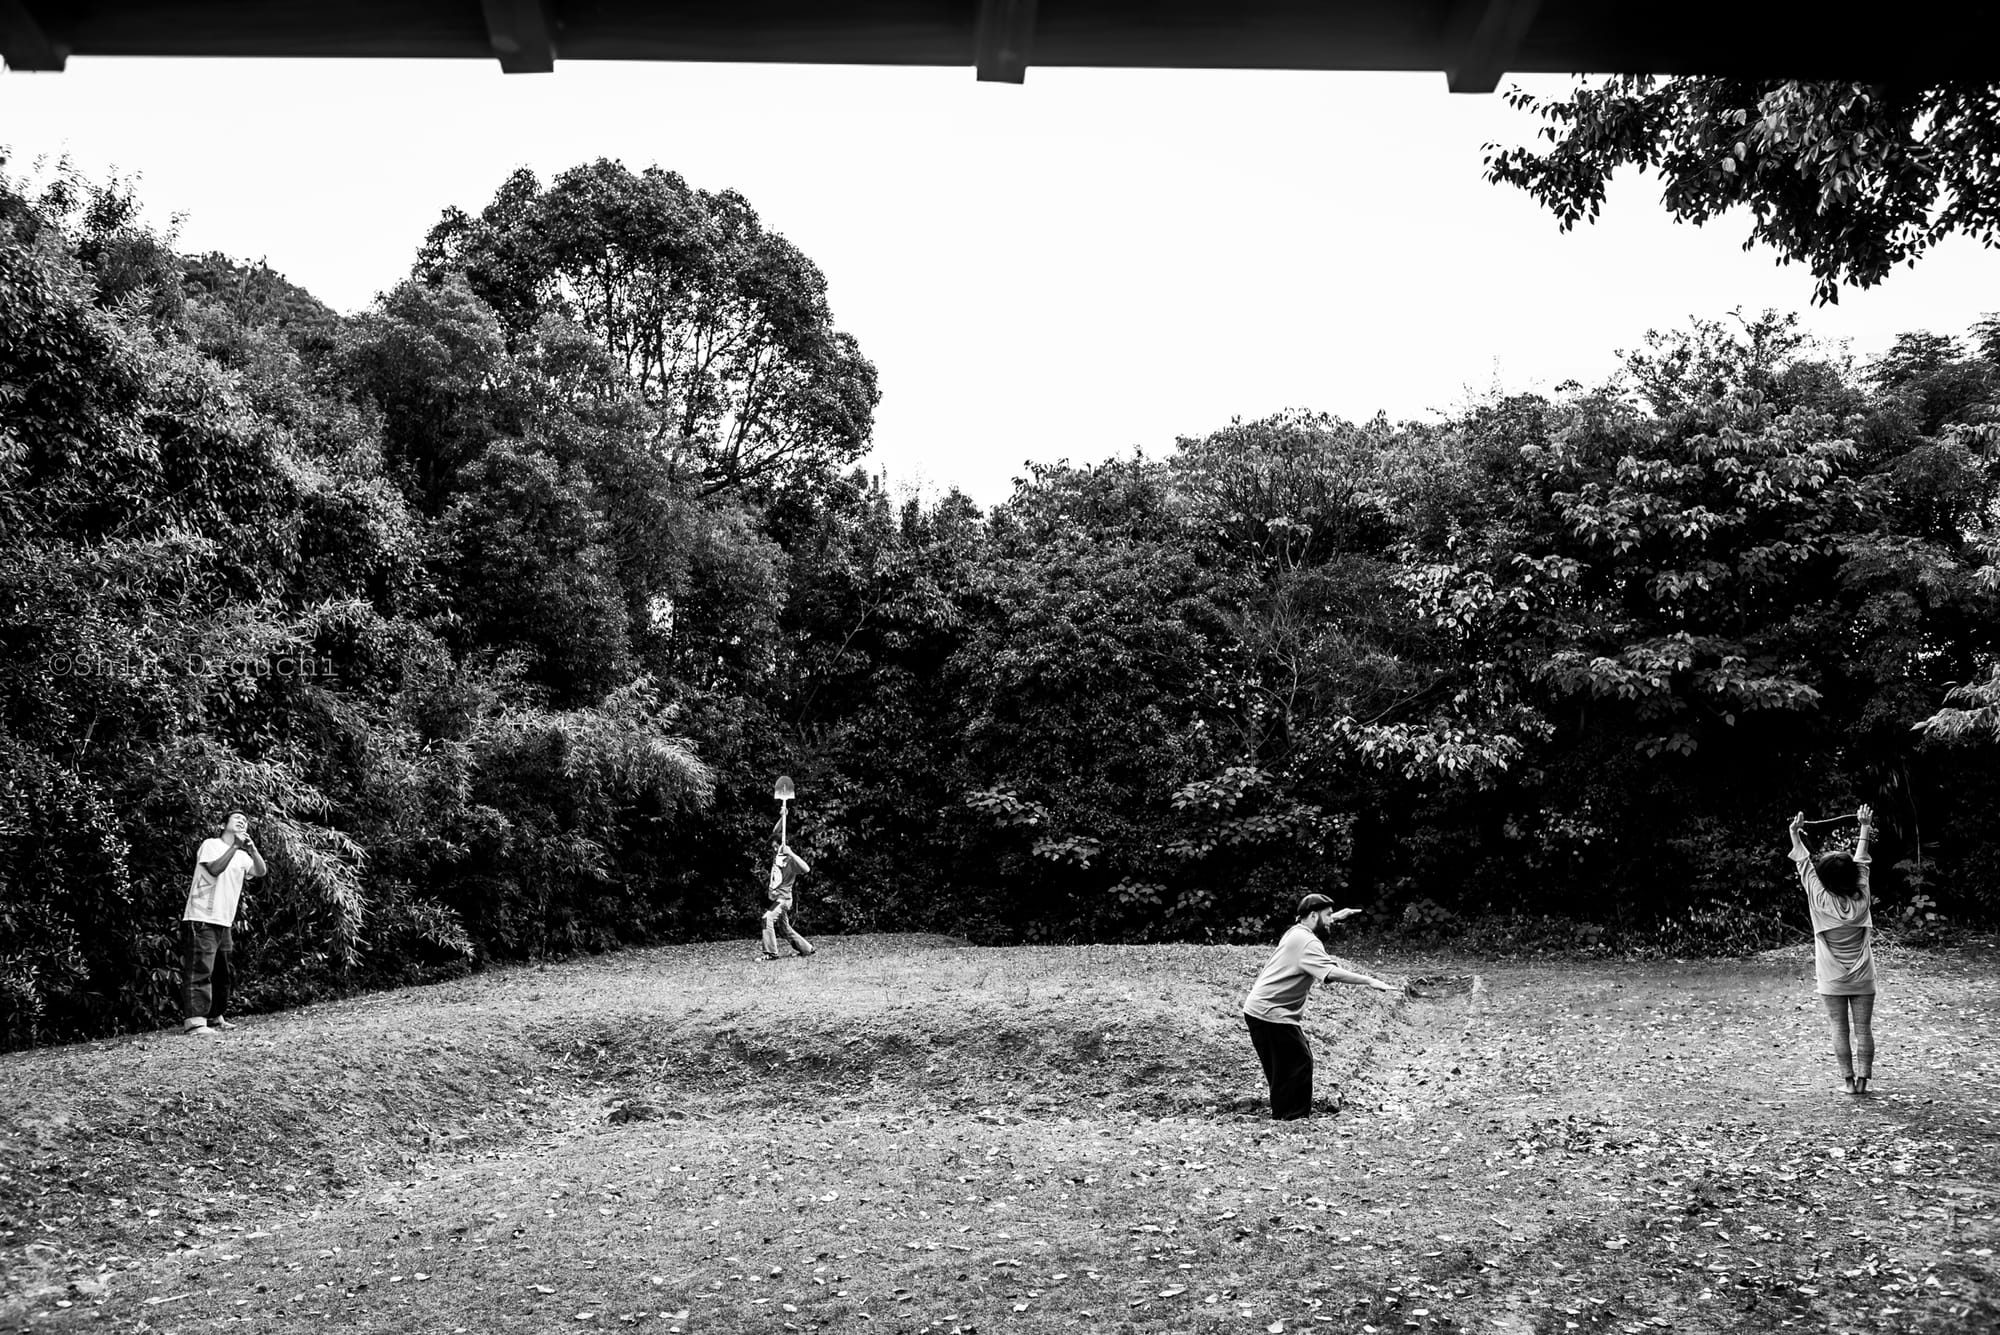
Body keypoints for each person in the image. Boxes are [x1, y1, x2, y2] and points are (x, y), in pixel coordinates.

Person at [1241, 893, 1403, 1119]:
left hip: (1263, 1010)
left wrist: (1337, 916)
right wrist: (1369, 980)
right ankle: (1292, 1118)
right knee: (1297, 1063)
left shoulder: (1297, 931)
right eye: (1327, 917)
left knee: (1287, 1065)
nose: (1330, 922)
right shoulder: (1308, 942)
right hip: (1271, 1012)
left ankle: (1287, 1115)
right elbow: (1331, 972)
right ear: (1314, 915)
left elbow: (1315, 922)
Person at [1788, 804, 1877, 1094]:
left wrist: (1794, 833)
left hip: (1831, 978)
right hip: (1863, 975)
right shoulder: (1862, 896)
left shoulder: (1819, 899)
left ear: (1824, 877)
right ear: (1852, 875)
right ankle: (1863, 1081)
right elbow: (1862, 861)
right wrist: (1865, 826)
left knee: (1839, 1029)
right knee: (1863, 1029)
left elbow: (1804, 863)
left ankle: (1849, 1084)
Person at [182, 810, 267, 1036]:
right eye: (236, 818)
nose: (242, 821)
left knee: (223, 973)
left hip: (224, 919)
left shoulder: (242, 855)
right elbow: (214, 868)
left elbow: (260, 871)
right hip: (202, 917)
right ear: (223, 824)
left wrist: (251, 849)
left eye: (245, 820)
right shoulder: (211, 844)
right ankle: (195, 1022)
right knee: (200, 969)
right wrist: (234, 847)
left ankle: (215, 1017)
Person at [760, 842, 815, 960]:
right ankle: (807, 949)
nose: (775, 849)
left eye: (777, 846)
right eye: (773, 847)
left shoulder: (790, 860)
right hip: (778, 899)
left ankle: (771, 953)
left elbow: (806, 868)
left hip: (783, 900)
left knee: (767, 918)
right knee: (784, 928)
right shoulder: (777, 859)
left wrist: (790, 852)